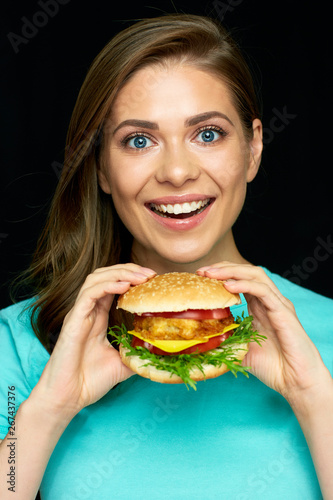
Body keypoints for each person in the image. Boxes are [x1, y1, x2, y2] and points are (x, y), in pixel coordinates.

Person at [0, 13, 332, 500]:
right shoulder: (20, 345)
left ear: (253, 148)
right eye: (139, 141)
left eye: (208, 134)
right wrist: (48, 408)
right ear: (102, 169)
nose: (177, 171)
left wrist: (317, 401)